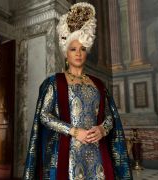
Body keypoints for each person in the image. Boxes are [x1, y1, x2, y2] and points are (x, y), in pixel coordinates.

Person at [23, 2, 132, 180]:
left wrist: (103, 129)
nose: (78, 53)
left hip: (97, 150)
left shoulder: (98, 83)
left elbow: (110, 116)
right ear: (66, 53)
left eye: (82, 49)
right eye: (73, 49)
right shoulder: (54, 82)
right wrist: (74, 131)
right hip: (68, 153)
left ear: (87, 51)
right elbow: (44, 115)